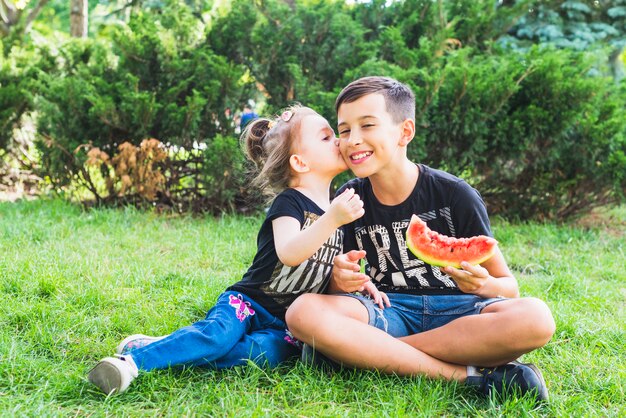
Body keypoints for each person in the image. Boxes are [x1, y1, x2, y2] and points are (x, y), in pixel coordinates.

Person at [286, 77, 556, 403]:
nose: (353, 140)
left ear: (405, 132)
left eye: (367, 125)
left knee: (536, 318)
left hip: (461, 315)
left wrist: (483, 284)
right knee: (302, 312)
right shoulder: (347, 200)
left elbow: (508, 287)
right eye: (344, 130)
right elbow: (337, 290)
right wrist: (340, 281)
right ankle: (467, 377)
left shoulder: (454, 195)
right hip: (388, 311)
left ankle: (358, 355)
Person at [87, 105, 387, 395]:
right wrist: (332, 218)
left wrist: (362, 282)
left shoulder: (339, 209)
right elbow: (290, 252)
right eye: (326, 137)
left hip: (286, 321)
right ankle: (131, 364)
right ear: (300, 163)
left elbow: (337, 264)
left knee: (264, 356)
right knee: (218, 337)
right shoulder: (290, 202)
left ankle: (172, 345)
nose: (339, 140)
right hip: (248, 301)